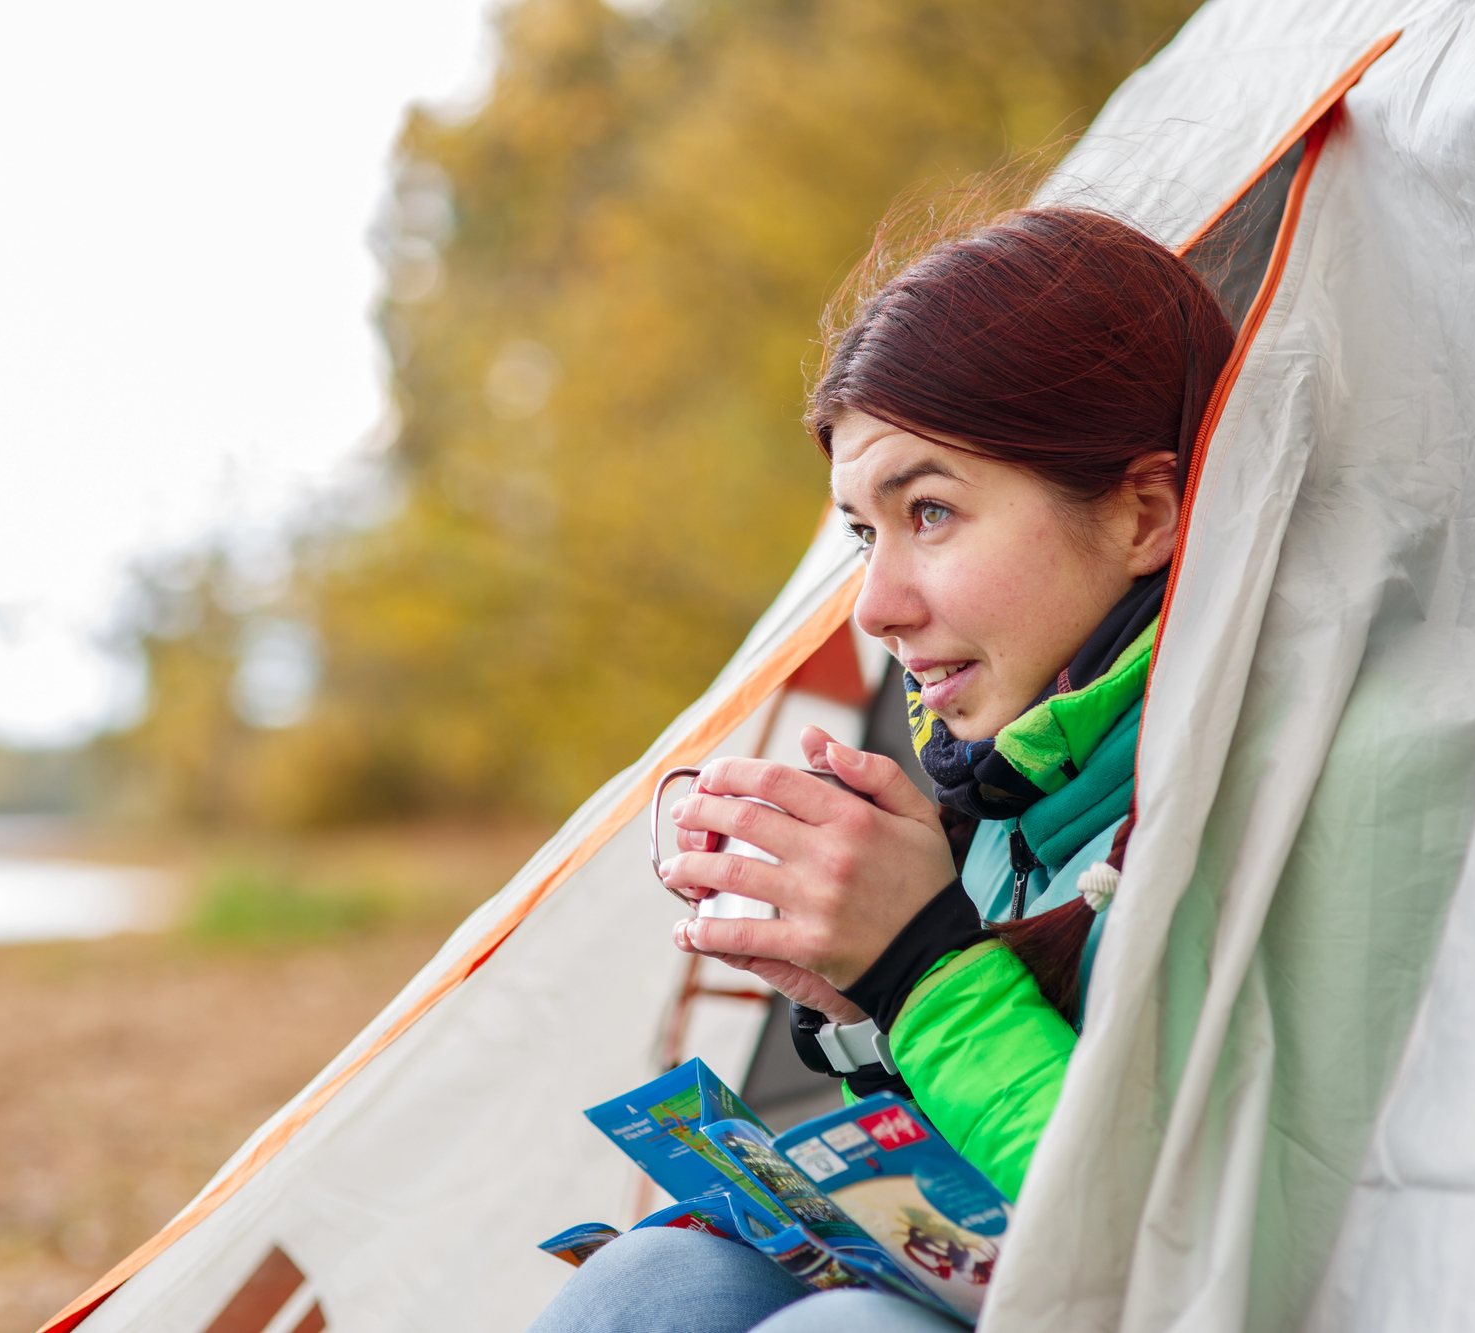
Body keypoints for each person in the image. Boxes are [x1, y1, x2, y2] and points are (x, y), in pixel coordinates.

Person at [529, 203, 1234, 1332]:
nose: (875, 607)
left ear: (1142, 513)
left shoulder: (1293, 772)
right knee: (648, 1282)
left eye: (931, 511)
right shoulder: (1015, 791)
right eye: (863, 532)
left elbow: (1179, 1245)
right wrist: (858, 1000)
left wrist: (920, 969)